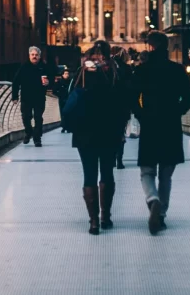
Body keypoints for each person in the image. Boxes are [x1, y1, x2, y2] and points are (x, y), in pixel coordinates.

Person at [133, 31, 190, 234]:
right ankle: (161, 215)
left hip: (150, 125)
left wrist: (142, 115)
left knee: (147, 170)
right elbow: (189, 99)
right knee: (166, 174)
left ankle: (153, 200)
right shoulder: (177, 70)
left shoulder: (142, 70)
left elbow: (132, 97)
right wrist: (175, 112)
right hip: (170, 126)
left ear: (150, 47)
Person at [70, 41, 128, 235]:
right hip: (109, 132)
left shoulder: (81, 73)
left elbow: (69, 99)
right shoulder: (114, 73)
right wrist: (121, 129)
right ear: (107, 55)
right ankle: (105, 217)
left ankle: (93, 222)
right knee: (107, 173)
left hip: (84, 133)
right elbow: (123, 105)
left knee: (89, 174)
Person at [10, 46, 55, 147]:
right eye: (32, 55)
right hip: (26, 97)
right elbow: (16, 82)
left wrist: (49, 82)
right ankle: (28, 132)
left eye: (36, 55)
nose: (34, 57)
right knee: (26, 117)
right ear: (29, 55)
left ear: (39, 56)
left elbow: (52, 78)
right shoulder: (24, 67)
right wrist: (15, 96)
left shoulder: (44, 67)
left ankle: (37, 138)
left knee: (38, 118)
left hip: (39, 97)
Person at [112, 46, 133, 169]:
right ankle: (119, 159)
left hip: (108, 107)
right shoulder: (127, 69)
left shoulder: (107, 68)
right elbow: (131, 88)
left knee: (109, 133)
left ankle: (110, 157)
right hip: (123, 107)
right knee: (120, 132)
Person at [54, 68, 72, 133]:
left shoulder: (71, 82)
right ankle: (64, 127)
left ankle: (68, 127)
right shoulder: (59, 82)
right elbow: (54, 91)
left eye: (68, 74)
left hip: (69, 100)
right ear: (62, 75)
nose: (67, 75)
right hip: (62, 100)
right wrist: (60, 95)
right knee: (62, 113)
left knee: (69, 113)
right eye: (65, 74)